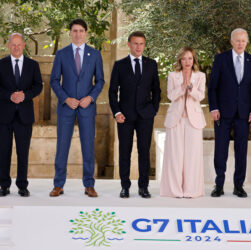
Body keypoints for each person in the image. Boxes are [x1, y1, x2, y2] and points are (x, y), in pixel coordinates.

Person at [49, 19, 105, 197]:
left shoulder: (95, 54)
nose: (78, 34)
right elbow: (54, 80)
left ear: (86, 33)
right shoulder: (62, 54)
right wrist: (66, 98)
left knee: (88, 146)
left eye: (81, 31)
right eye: (74, 31)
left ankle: (89, 185)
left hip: (87, 107)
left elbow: (100, 81)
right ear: (70, 33)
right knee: (62, 145)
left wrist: (90, 97)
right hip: (66, 107)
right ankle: (58, 185)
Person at [208, 28, 251, 198]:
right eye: (237, 40)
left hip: (244, 113)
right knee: (220, 150)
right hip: (222, 113)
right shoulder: (220, 59)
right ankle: (219, 185)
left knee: (241, 150)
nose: (240, 44)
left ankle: (239, 186)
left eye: (243, 41)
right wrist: (214, 108)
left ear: (247, 42)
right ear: (231, 41)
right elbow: (213, 86)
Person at [109, 31, 161, 199]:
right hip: (124, 116)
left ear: (144, 45)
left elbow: (157, 90)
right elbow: (112, 92)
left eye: (141, 44)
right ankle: (125, 186)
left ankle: (143, 187)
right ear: (129, 45)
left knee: (144, 151)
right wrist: (117, 112)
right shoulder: (119, 65)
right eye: (135, 43)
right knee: (125, 151)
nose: (138, 47)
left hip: (146, 115)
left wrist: (153, 110)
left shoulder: (151, 64)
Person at [0, 33, 43, 197]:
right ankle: (3, 185)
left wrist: (25, 95)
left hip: (24, 115)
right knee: (3, 151)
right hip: (4, 116)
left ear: (24, 45)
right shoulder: (1, 64)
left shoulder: (33, 65)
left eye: (19, 44)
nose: (16, 47)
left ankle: (22, 185)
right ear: (8, 45)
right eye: (13, 44)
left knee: (23, 152)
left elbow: (38, 86)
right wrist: (10, 96)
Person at [160, 47, 206, 198]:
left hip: (194, 120)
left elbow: (201, 96)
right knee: (175, 155)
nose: (187, 62)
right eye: (184, 58)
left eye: (190, 58)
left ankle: (191, 190)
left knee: (192, 156)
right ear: (180, 60)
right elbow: (171, 96)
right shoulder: (173, 75)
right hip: (175, 119)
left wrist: (191, 89)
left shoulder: (200, 76)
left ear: (194, 60)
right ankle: (174, 190)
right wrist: (182, 88)